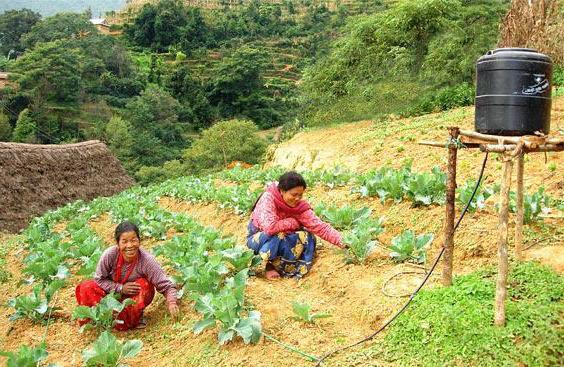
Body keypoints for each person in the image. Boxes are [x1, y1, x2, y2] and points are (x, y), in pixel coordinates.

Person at [75, 221, 179, 330]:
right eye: (124, 241)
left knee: (144, 285)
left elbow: (166, 285)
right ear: (118, 243)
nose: (129, 246)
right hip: (109, 296)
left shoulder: (147, 261)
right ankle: (100, 317)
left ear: (139, 241)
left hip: (130, 299)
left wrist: (172, 302)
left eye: (133, 240)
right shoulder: (110, 255)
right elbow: (99, 280)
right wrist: (120, 288)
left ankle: (125, 320)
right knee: (86, 287)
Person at [248, 171, 345, 280]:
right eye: (294, 194)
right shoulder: (268, 198)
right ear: (282, 191)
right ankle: (268, 265)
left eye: (300, 195)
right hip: (259, 239)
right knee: (277, 235)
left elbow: (321, 227)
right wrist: (293, 222)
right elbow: (270, 227)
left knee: (307, 237)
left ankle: (282, 266)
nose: (297, 199)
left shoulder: (299, 207)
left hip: (281, 236)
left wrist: (345, 242)